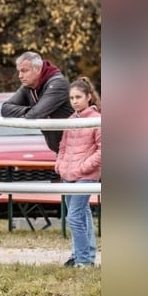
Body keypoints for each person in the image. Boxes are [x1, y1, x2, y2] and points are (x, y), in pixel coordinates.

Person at [55, 77, 101, 268]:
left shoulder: (97, 120)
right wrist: (60, 165)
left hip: (86, 176)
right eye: (72, 98)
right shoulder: (71, 120)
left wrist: (83, 168)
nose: (74, 101)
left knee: (74, 216)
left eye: (78, 97)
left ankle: (83, 259)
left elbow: (102, 150)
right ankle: (83, 254)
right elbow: (63, 147)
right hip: (68, 175)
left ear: (88, 97)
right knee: (82, 214)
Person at [1, 51, 74, 154]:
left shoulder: (58, 84)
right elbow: (5, 108)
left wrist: (32, 112)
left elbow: (36, 114)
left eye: (24, 71)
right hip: (62, 150)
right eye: (19, 71)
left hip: (78, 150)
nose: (20, 76)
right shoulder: (29, 86)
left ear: (38, 69)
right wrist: (29, 110)